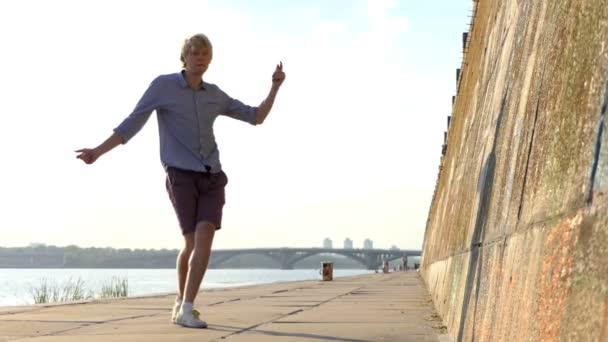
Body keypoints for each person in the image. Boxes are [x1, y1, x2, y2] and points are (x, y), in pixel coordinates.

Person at [75, 33, 285, 328]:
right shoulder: (163, 86)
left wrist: (274, 88)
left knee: (204, 238)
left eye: (205, 55)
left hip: (212, 176)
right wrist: (98, 151)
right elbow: (133, 122)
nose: (200, 59)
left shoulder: (215, 95)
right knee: (191, 243)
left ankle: (187, 308)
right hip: (180, 175)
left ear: (210, 60)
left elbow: (256, 116)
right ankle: (179, 303)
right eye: (195, 53)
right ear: (184, 57)